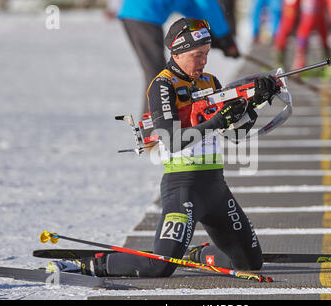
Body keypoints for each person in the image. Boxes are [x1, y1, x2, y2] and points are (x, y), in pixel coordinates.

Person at [49, 17, 279, 278]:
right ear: (177, 53)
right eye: (197, 55)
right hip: (184, 188)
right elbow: (171, 139)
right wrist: (217, 121)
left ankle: (197, 254)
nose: (203, 61)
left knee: (250, 263)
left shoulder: (211, 82)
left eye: (206, 54)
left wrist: (255, 105)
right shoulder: (162, 85)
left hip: (216, 187)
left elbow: (236, 136)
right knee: (159, 266)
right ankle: (88, 265)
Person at [117, 0, 240, 115]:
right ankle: (154, 124)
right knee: (157, 76)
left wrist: (210, 34)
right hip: (143, 14)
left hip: (138, 13)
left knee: (156, 73)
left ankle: (155, 122)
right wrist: (225, 37)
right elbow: (208, 5)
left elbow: (191, 9)